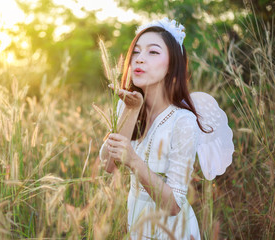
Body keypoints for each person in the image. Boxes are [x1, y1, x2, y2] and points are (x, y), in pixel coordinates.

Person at [99, 18, 234, 239]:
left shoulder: (182, 121)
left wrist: (133, 160)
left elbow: (173, 206)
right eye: (136, 52)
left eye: (153, 52)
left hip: (173, 231)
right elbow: (107, 164)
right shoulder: (128, 105)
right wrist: (131, 110)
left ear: (172, 64)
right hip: (138, 226)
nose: (139, 59)